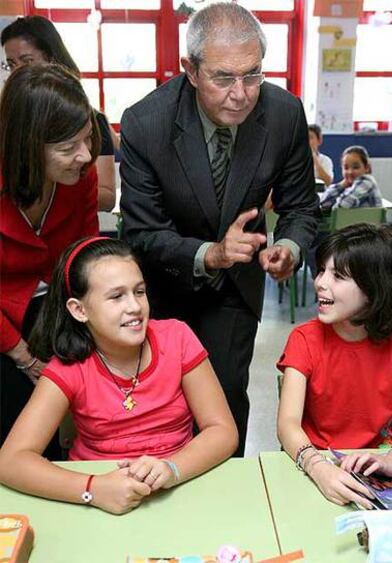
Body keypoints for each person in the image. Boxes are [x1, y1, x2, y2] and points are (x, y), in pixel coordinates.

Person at [120, 2, 320, 456]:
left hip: (235, 286)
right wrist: (211, 253)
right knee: (161, 412)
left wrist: (287, 246)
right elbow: (142, 233)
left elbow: (302, 207)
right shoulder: (145, 123)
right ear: (190, 70)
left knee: (226, 402)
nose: (241, 93)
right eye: (223, 78)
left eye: (253, 75)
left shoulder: (284, 114)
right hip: (165, 284)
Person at [0, 237, 238, 515]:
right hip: (99, 502)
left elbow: (223, 431)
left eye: (139, 292)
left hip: (178, 489)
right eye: (116, 296)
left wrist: (172, 469)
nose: (135, 307)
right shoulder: (69, 367)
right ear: (79, 310)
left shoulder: (177, 338)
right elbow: (10, 461)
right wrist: (93, 488)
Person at [0, 64, 100, 455]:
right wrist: (23, 357)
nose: (85, 155)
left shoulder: (83, 176)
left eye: (88, 139)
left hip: (58, 307)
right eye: (67, 147)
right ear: (27, 146)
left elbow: (86, 257)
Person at [277, 223, 392, 508]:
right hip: (316, 458)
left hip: (379, 460)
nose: (320, 283)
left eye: (338, 275)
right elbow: (287, 424)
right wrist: (317, 466)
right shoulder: (304, 339)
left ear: (376, 289)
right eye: (321, 271)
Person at [1, 15, 116, 212]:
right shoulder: (8, 123)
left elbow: (106, 196)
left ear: (51, 59)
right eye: (11, 64)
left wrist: (61, 189)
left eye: (27, 61)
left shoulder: (91, 122)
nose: (17, 73)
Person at [320, 145, 382, 210]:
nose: (350, 172)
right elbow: (322, 203)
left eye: (356, 167)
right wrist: (342, 185)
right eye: (346, 168)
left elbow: (342, 206)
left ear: (366, 167)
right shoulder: (349, 184)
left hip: (366, 220)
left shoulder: (366, 182)